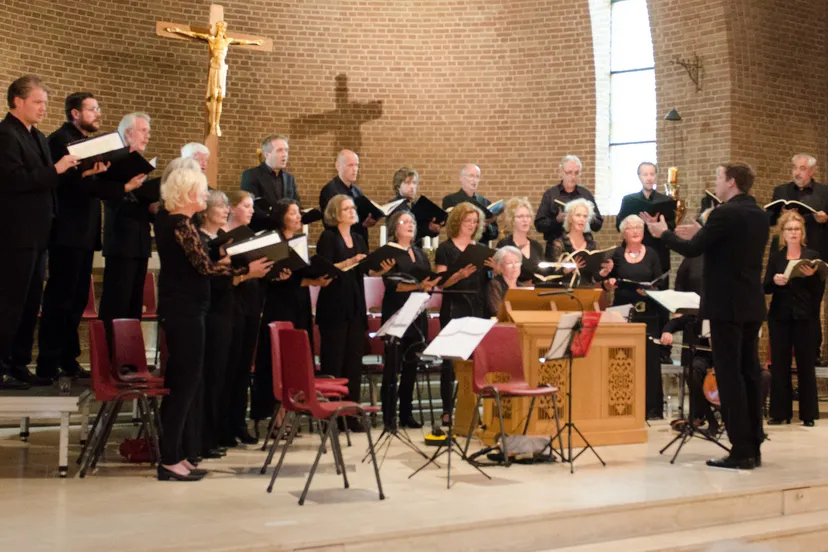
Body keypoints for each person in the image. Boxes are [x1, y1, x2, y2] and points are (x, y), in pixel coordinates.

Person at [648, 163, 770, 470]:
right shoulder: (758, 214)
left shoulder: (724, 213)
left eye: (718, 177)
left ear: (730, 182)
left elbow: (692, 250)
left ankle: (740, 451)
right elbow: (730, 247)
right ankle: (753, 444)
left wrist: (664, 233)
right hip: (750, 304)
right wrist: (704, 232)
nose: (715, 183)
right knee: (750, 375)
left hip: (726, 306)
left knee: (730, 378)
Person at [154, 166, 271, 481]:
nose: (206, 197)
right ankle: (169, 459)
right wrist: (245, 273)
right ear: (189, 193)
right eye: (203, 191)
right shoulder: (180, 224)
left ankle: (176, 454)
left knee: (187, 384)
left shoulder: (177, 222)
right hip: (186, 312)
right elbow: (204, 268)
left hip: (186, 309)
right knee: (186, 384)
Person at [36, 93, 145, 383]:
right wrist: (110, 184)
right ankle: (48, 364)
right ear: (75, 113)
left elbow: (91, 186)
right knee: (60, 299)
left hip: (83, 233)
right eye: (92, 109)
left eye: (98, 109)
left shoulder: (89, 144)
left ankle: (67, 359)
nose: (98, 114)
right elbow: (59, 183)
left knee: (74, 301)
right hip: (66, 231)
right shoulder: (60, 140)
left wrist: (113, 180)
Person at [0, 75, 81, 389]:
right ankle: (1, 365)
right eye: (38, 102)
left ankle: (19, 363)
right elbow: (13, 180)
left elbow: (49, 181)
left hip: (38, 234)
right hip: (14, 234)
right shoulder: (6, 134)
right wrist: (56, 169)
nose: (44, 108)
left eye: (45, 103)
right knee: (9, 302)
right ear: (17, 101)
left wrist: (78, 171)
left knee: (31, 302)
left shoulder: (37, 135)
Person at [251, 198, 333, 432]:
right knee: (278, 359)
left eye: (299, 213)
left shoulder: (299, 241)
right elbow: (266, 276)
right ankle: (275, 413)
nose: (298, 217)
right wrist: (278, 276)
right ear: (281, 216)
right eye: (293, 213)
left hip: (299, 302)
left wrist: (316, 279)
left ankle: (292, 410)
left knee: (296, 357)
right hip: (278, 304)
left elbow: (299, 277)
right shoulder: (271, 240)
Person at [316, 194, 394, 430]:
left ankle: (351, 414)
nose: (352, 211)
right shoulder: (328, 237)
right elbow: (325, 270)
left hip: (355, 306)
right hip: (334, 306)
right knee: (334, 361)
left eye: (352, 208)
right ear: (335, 213)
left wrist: (380, 270)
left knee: (353, 363)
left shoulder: (359, 238)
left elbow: (366, 271)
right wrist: (350, 262)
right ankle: (333, 415)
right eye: (347, 208)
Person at [220, 190, 280, 446]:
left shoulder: (254, 237)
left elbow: (261, 272)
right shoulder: (222, 238)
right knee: (228, 368)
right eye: (246, 206)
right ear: (232, 208)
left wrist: (274, 272)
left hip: (252, 304)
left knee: (243, 368)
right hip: (230, 304)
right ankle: (222, 426)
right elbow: (223, 275)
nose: (252, 210)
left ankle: (238, 423)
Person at [379, 210, 440, 430]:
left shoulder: (419, 252)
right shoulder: (390, 253)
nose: (410, 225)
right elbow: (393, 285)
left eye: (413, 221)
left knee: (411, 365)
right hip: (396, 311)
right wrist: (419, 286)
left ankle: (406, 413)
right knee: (393, 366)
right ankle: (388, 415)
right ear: (395, 227)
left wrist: (428, 286)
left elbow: (426, 279)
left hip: (417, 313)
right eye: (405, 222)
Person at [99, 112, 158, 337]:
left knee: (134, 306)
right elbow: (112, 200)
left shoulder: (139, 165)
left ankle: (128, 359)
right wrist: (131, 189)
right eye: (143, 131)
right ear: (127, 133)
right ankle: (110, 359)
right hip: (121, 242)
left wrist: (152, 207)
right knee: (117, 304)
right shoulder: (112, 162)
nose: (147, 136)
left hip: (140, 243)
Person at [434, 202, 493, 426]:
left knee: (475, 362)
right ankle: (448, 410)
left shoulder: (479, 248)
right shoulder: (445, 249)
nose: (471, 225)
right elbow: (441, 284)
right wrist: (458, 275)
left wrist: (494, 270)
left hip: (477, 307)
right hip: (454, 307)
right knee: (451, 363)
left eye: (475, 222)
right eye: (468, 221)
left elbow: (486, 281)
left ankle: (472, 410)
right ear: (457, 222)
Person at [603, 215, 667, 418]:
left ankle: (652, 408)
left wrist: (650, 290)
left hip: (648, 313)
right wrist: (609, 283)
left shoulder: (653, 255)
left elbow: (661, 284)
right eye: (630, 228)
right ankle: (621, 405)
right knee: (621, 359)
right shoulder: (617, 254)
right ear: (624, 232)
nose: (635, 230)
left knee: (649, 361)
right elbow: (607, 279)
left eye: (639, 227)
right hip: (623, 312)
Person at [763, 211, 823, 427]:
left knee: (806, 365)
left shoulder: (812, 255)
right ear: (783, 233)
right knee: (780, 364)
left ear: (802, 232)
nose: (793, 232)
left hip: (805, 316)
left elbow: (819, 290)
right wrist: (775, 280)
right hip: (780, 316)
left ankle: (808, 415)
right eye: (789, 229)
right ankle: (780, 412)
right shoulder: (777, 258)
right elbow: (765, 287)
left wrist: (811, 277)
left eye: (797, 229)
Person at [195, 189, 233, 459]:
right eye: (220, 206)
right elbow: (208, 275)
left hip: (225, 310)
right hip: (209, 310)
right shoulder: (200, 239)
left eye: (226, 206)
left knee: (220, 376)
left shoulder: (223, 239)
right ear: (206, 211)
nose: (226, 210)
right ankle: (201, 438)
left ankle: (214, 434)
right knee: (206, 378)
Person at [616, 162, 675, 284]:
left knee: (658, 289)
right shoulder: (629, 200)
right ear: (639, 176)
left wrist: (656, 223)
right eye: (645, 174)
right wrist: (635, 221)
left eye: (652, 174)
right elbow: (619, 225)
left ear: (656, 176)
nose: (649, 178)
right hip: (634, 251)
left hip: (658, 250)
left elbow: (672, 227)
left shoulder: (666, 200)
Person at [535, 155, 604, 257]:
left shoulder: (585, 194)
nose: (573, 176)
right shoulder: (550, 194)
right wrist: (557, 220)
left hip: (583, 248)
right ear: (561, 173)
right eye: (569, 173)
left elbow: (598, 225)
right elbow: (539, 225)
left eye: (576, 173)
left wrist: (588, 218)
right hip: (557, 249)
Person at [768, 154, 828, 260]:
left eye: (802, 168)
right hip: (784, 250)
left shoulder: (824, 192)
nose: (797, 173)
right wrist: (781, 215)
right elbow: (770, 220)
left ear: (812, 171)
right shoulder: (781, 190)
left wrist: (824, 219)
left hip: (815, 248)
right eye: (794, 168)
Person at [241, 134, 300, 232]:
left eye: (286, 150)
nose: (284, 154)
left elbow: (296, 203)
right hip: (261, 233)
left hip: (285, 233)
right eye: (279, 150)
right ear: (266, 154)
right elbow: (252, 206)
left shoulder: (289, 178)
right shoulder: (251, 175)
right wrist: (277, 219)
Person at [548, 198, 612, 286]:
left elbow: (595, 276)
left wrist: (604, 271)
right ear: (570, 218)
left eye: (585, 216)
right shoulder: (560, 243)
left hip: (588, 291)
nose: (582, 219)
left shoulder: (593, 245)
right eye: (578, 215)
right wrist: (567, 269)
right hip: (565, 292)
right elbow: (552, 275)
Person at [319, 149, 375, 246]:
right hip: (339, 244)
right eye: (350, 165)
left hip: (359, 241)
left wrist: (368, 220)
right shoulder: (330, 190)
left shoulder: (357, 191)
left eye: (356, 165)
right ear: (338, 166)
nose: (355, 169)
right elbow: (331, 222)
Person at [442, 164, 499, 243]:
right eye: (471, 176)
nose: (474, 180)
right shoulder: (450, 200)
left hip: (480, 247)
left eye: (477, 177)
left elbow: (495, 234)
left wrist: (487, 226)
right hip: (457, 246)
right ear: (461, 178)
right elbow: (449, 226)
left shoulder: (486, 202)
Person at [496, 197, 544, 282]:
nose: (525, 220)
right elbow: (500, 275)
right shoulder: (504, 245)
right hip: (512, 293)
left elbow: (543, 274)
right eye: (520, 216)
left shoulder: (537, 246)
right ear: (512, 220)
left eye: (528, 216)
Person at [390, 166, 441, 240]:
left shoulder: (415, 205)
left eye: (414, 183)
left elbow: (421, 231)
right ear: (398, 186)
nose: (412, 187)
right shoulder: (393, 206)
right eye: (408, 183)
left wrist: (431, 228)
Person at [486, 246, 528, 315]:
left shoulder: (522, 286)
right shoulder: (495, 284)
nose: (514, 266)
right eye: (509, 263)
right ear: (500, 267)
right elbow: (497, 311)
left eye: (517, 262)